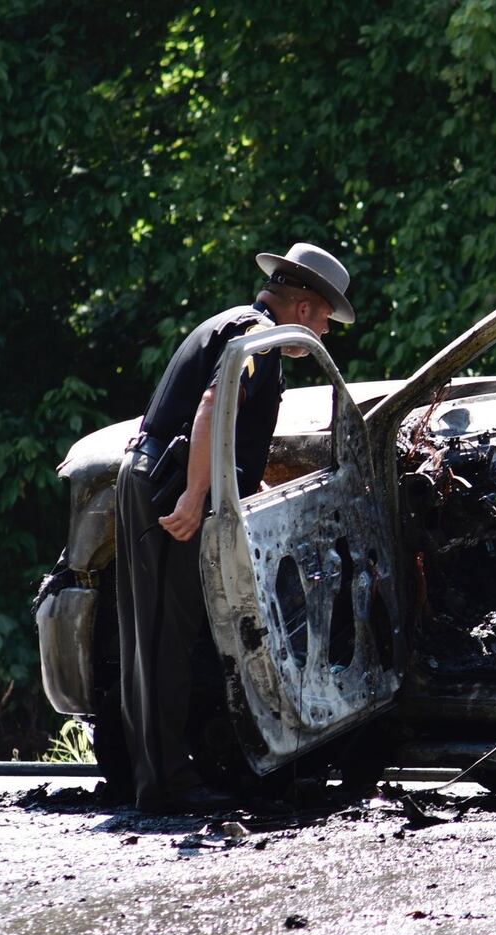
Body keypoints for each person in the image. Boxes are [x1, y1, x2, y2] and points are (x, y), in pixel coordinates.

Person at [115, 243, 355, 813]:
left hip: (161, 479)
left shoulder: (240, 326)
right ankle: (164, 785)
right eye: (324, 320)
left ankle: (149, 776)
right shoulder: (256, 340)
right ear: (303, 309)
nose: (323, 331)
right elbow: (210, 407)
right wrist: (197, 495)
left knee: (152, 637)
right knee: (162, 641)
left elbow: (228, 431)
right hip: (171, 487)